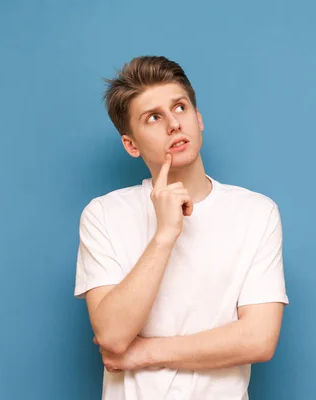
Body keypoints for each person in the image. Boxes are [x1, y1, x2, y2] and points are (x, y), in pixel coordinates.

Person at [74, 55, 289, 400]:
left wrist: (144, 353)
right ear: (131, 144)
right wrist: (164, 235)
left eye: (180, 108)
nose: (174, 124)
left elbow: (259, 339)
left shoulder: (255, 212)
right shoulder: (103, 214)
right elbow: (113, 336)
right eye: (154, 117)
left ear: (198, 118)